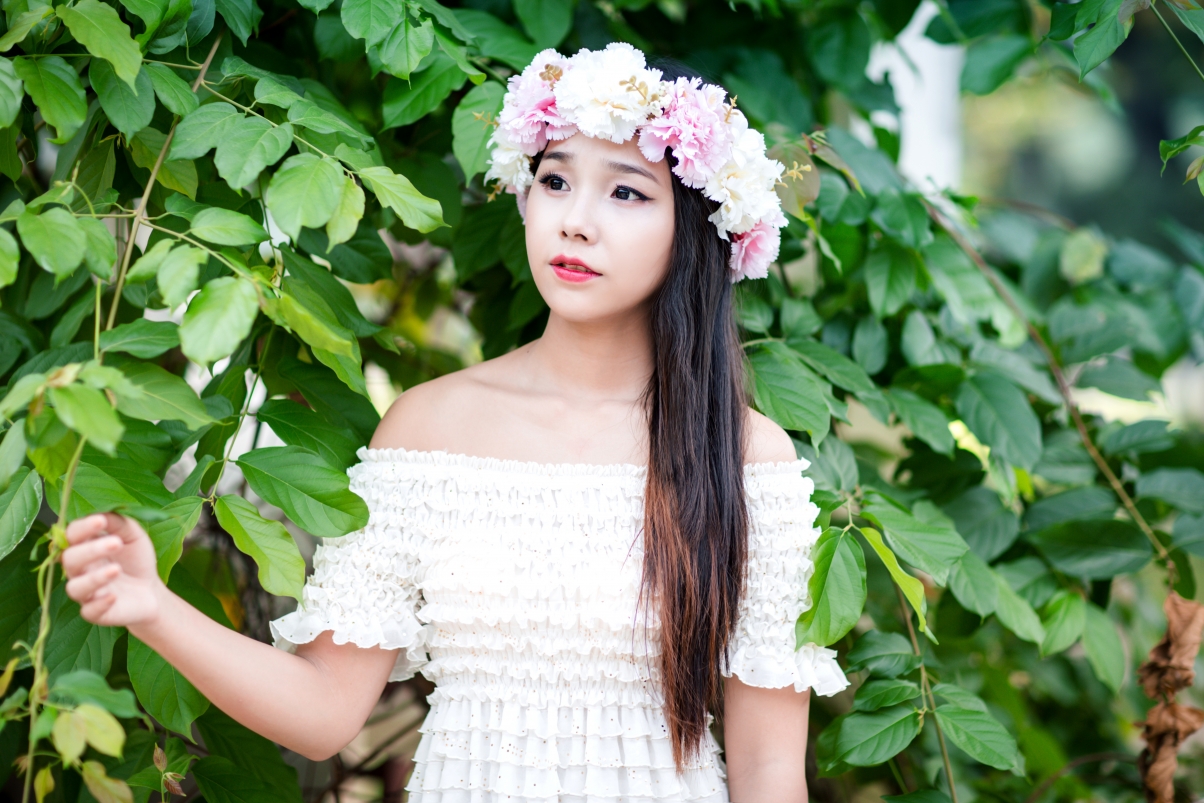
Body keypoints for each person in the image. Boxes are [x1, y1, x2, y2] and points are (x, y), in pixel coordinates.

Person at [59, 42, 849, 803]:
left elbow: (769, 768)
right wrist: (153, 605)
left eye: (626, 192)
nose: (575, 220)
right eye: (554, 180)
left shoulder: (746, 457)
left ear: (699, 229)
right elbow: (323, 713)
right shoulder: (429, 427)